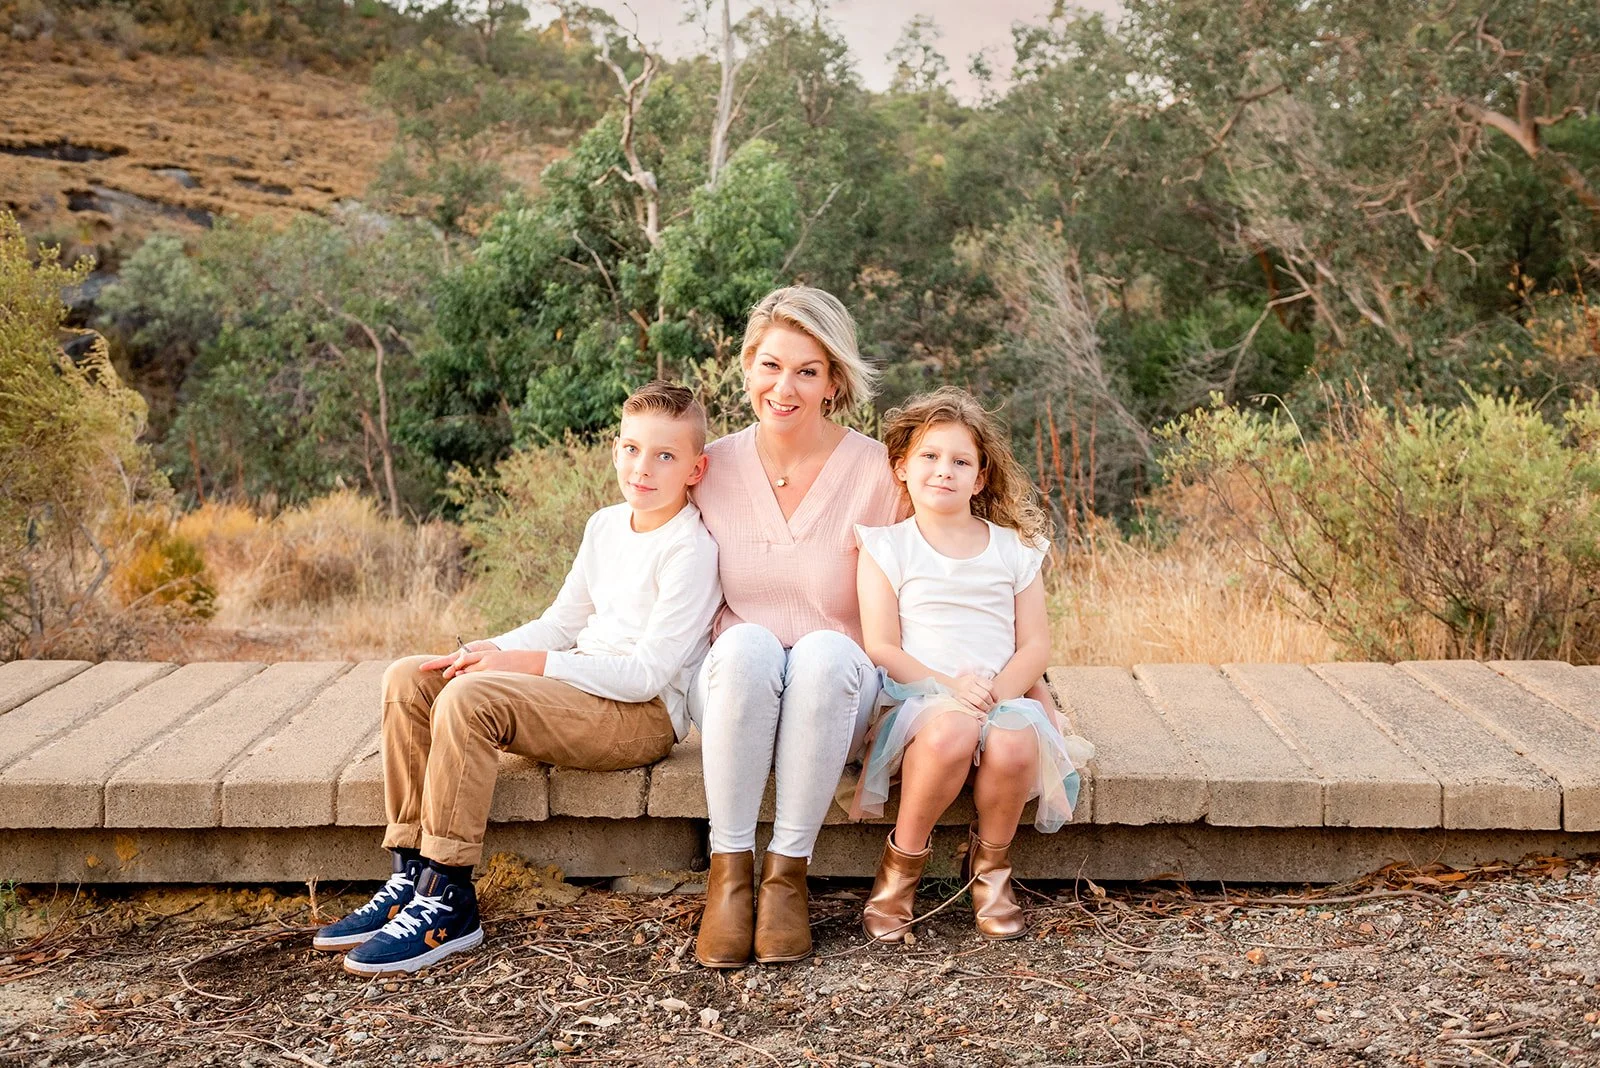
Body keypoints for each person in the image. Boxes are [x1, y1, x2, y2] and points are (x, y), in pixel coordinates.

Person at [313, 382, 721, 976]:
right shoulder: (606, 525)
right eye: (632, 449)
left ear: (695, 468)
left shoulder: (690, 548)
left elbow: (643, 675)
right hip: (574, 692)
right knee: (411, 677)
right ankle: (409, 873)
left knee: (472, 697)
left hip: (637, 717)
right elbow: (562, 622)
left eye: (665, 456)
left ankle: (449, 897)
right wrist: (495, 647)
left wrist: (524, 665)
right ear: (614, 450)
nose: (643, 468)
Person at [689, 286, 902, 967]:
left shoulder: (879, 473)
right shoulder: (710, 467)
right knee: (749, 642)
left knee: (823, 652)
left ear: (834, 381)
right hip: (733, 683)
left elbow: (922, 594)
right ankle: (729, 876)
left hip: (840, 686)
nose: (785, 387)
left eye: (807, 371)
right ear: (748, 367)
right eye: (771, 366)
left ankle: (786, 877)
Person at [850, 387, 1093, 942]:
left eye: (961, 461)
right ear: (902, 467)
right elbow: (883, 645)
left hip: (1002, 691)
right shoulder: (887, 547)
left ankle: (990, 871)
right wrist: (949, 688)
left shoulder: (1014, 549)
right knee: (952, 732)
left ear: (980, 478)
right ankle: (900, 869)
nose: (944, 471)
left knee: (1014, 741)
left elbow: (1034, 645)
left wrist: (998, 693)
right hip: (923, 697)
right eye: (930, 457)